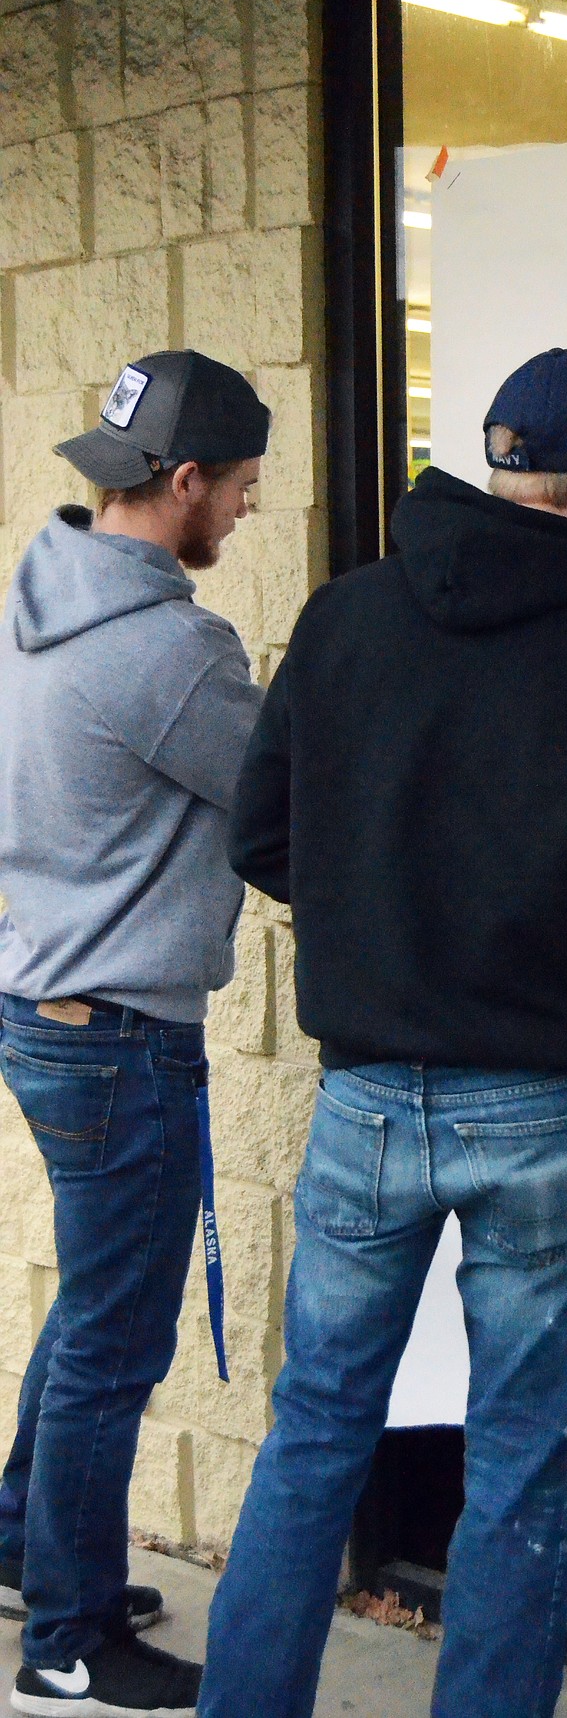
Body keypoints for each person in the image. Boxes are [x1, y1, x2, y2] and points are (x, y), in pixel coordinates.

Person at [197, 345, 567, 1718]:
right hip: (540, 1117)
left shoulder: (344, 622)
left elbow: (263, 834)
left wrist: (403, 902)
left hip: (367, 1108)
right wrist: (553, 897)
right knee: (518, 1458)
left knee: (315, 1434)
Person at [0, 350, 270, 1718]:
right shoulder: (170, 649)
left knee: (91, 1305)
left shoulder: (30, 598)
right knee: (117, 1336)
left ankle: (18, 1534)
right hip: (119, 1031)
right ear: (180, 483)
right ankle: (68, 1638)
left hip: (37, 1002)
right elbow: (284, 801)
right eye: (238, 488)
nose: (246, 513)